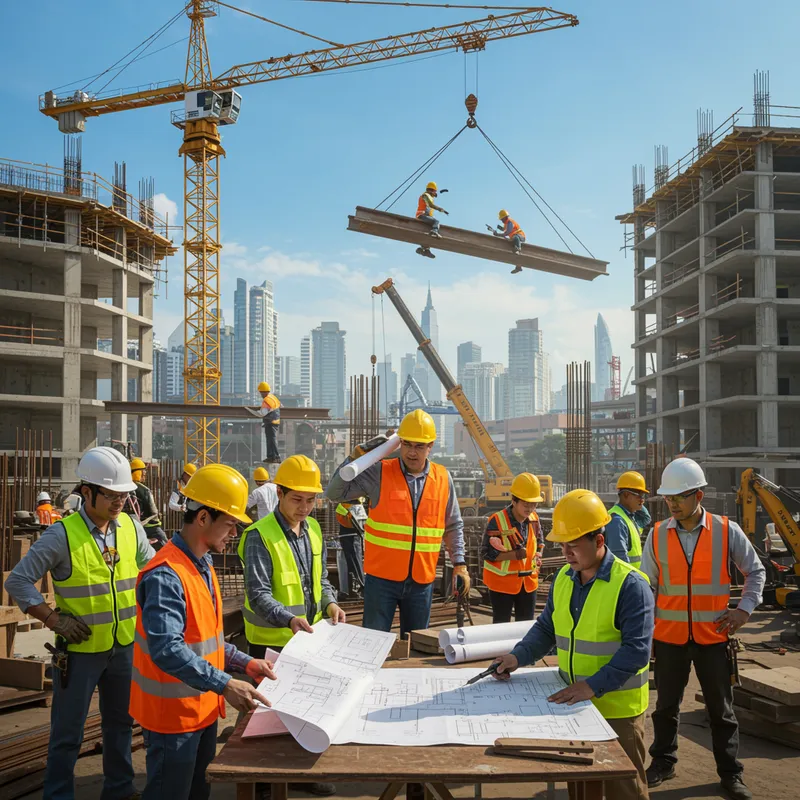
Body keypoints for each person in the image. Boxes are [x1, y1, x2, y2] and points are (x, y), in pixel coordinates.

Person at [5, 446, 155, 800]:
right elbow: (18, 581)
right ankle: (58, 795)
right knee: (68, 733)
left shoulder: (132, 529)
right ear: (87, 492)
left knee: (119, 724)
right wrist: (53, 620)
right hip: (80, 652)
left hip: (123, 646)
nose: (119, 501)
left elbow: (153, 571)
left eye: (124, 495)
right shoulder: (62, 535)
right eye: (111, 494)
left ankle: (119, 789)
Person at [493, 489, 654, 800]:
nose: (566, 553)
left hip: (617, 710)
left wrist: (591, 686)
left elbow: (637, 651)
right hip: (573, 705)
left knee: (625, 790)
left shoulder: (631, 586)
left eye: (574, 545)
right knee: (580, 786)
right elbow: (546, 629)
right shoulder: (565, 578)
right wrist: (516, 657)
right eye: (562, 545)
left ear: (599, 541)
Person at [131, 463, 276, 800]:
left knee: (197, 793)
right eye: (229, 524)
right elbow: (167, 648)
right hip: (173, 720)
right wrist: (225, 683)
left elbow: (204, 639)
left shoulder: (202, 564)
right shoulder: (166, 575)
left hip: (202, 708)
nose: (233, 534)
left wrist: (243, 662)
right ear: (202, 518)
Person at [641, 458, 765, 800]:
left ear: (699, 495)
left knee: (721, 712)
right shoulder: (656, 535)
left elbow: (756, 571)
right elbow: (645, 587)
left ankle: (730, 774)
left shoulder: (727, 531)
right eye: (668, 498)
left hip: (713, 640)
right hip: (669, 640)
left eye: (679, 497)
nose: (672, 503)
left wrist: (744, 610)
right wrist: (646, 632)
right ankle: (663, 763)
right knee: (665, 707)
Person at [237, 455, 343, 798]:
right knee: (267, 718)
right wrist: (289, 619)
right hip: (271, 643)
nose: (304, 508)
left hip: (307, 639)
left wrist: (330, 603)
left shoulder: (312, 529)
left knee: (304, 712)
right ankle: (264, 782)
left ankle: (298, 773)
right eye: (297, 499)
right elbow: (258, 594)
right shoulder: (259, 535)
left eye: (311, 500)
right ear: (279, 493)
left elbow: (321, 580)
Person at [327, 409, 468, 636]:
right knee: (372, 643)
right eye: (407, 444)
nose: (412, 452)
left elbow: (453, 525)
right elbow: (334, 492)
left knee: (417, 644)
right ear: (399, 443)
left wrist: (459, 564)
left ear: (430, 446)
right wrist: (355, 459)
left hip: (422, 581)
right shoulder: (380, 472)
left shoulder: (443, 478)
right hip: (381, 580)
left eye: (419, 446)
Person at [481, 473, 545, 623]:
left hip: (528, 583)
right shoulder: (497, 520)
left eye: (533, 504)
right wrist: (514, 555)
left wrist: (538, 554)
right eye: (526, 503)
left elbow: (540, 542)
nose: (530, 508)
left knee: (525, 628)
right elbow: (485, 553)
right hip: (502, 584)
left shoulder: (534, 519)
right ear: (514, 501)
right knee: (501, 626)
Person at [605, 471, 649, 566]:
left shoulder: (629, 517)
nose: (642, 500)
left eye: (644, 496)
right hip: (625, 579)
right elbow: (620, 562)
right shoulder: (617, 521)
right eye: (639, 495)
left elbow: (646, 518)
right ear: (626, 495)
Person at [127, 457, 168, 550]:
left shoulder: (126, 488)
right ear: (137, 472)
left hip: (135, 527)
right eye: (143, 471)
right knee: (166, 549)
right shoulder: (144, 490)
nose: (145, 473)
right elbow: (153, 511)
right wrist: (156, 515)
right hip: (152, 527)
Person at [335, 498, 366, 596]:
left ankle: (356, 588)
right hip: (350, 527)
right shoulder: (357, 496)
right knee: (353, 556)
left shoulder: (351, 499)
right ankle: (353, 588)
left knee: (353, 557)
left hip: (350, 528)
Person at [415, 180, 449, 259]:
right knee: (436, 222)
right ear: (432, 190)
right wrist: (439, 208)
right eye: (435, 191)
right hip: (421, 215)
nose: (435, 193)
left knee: (428, 231)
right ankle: (434, 231)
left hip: (426, 216)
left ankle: (425, 249)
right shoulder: (425, 195)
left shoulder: (429, 196)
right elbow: (430, 204)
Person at [257, 381, 281, 464]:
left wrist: (257, 413)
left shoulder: (266, 400)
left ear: (262, 392)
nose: (261, 395)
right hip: (274, 421)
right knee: (270, 439)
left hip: (271, 422)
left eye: (261, 393)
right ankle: (270, 457)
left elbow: (263, 412)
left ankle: (276, 456)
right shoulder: (273, 397)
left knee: (271, 439)